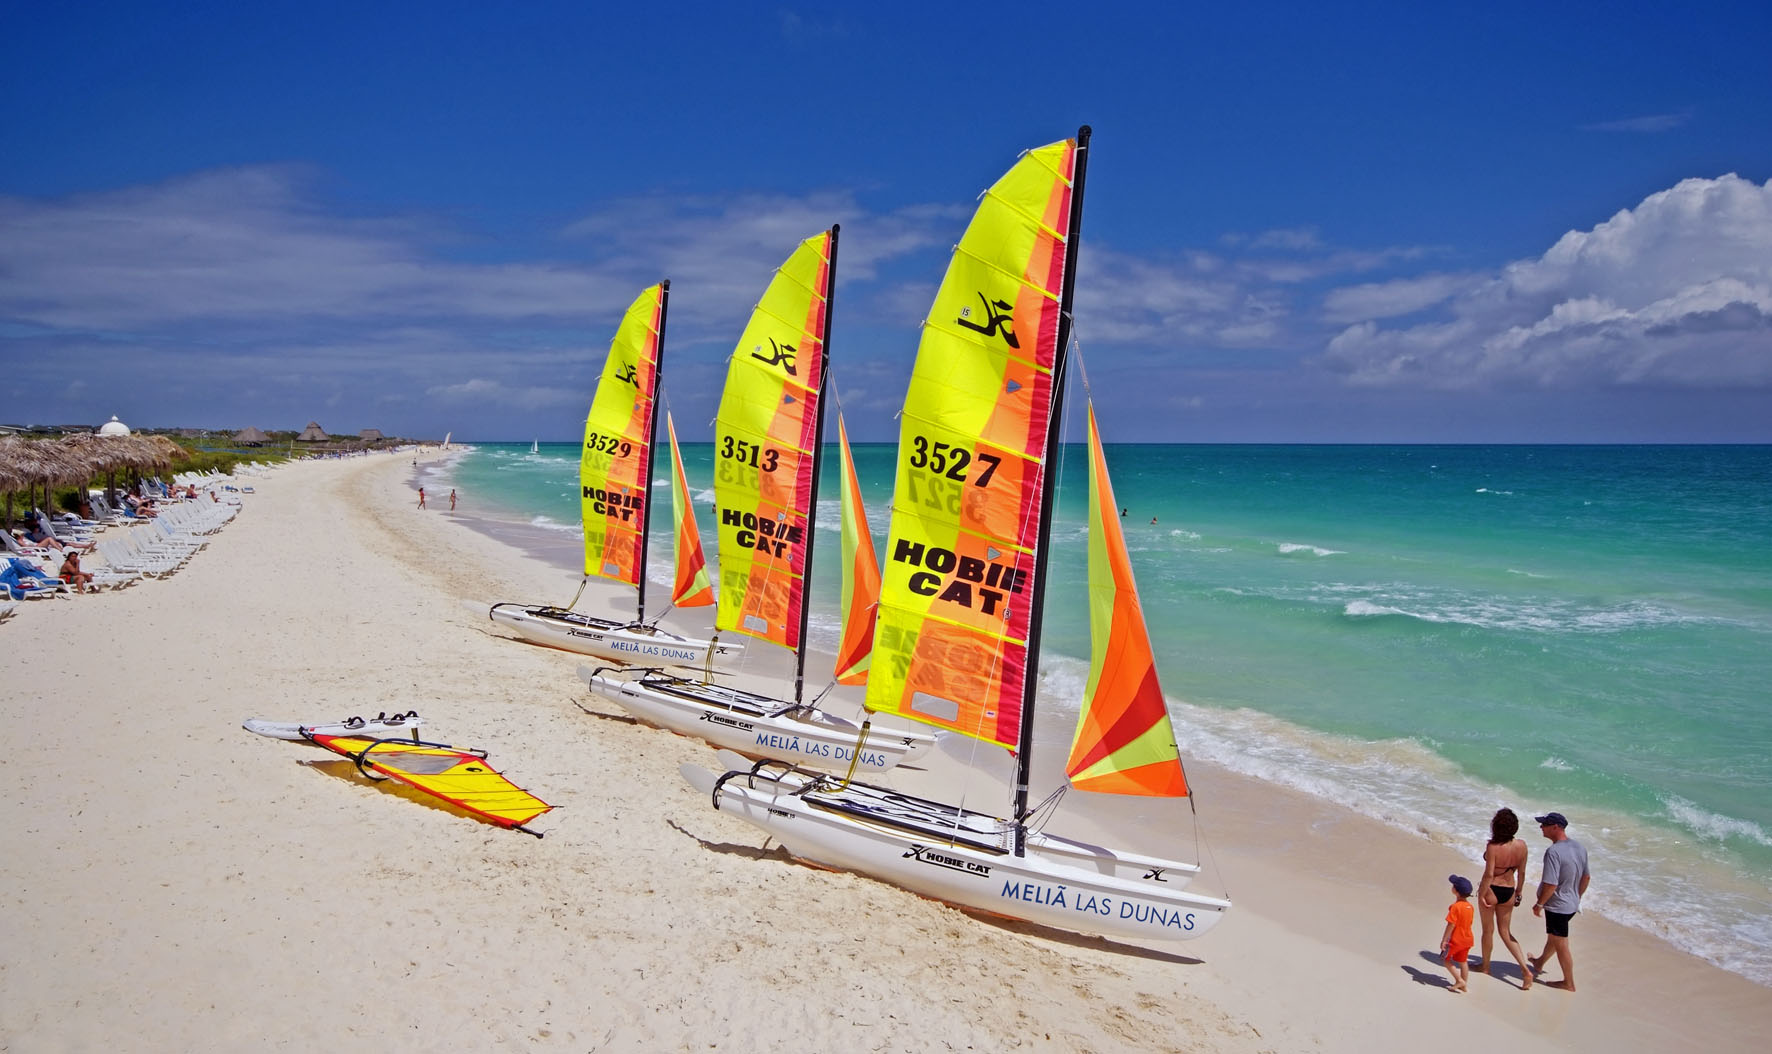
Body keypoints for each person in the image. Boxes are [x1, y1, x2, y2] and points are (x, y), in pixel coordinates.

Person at [1529, 812, 1591, 992]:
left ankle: (1568, 982)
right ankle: (1539, 962)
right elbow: (1586, 877)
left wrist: (1539, 904)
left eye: (1544, 825)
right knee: (1554, 937)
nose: (1541, 827)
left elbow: (1551, 883)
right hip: (1571, 904)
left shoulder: (1553, 852)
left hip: (1557, 906)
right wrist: (1576, 896)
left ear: (1555, 827)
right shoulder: (1579, 847)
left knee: (1561, 943)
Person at [1477, 807, 1534, 988]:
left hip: (1492, 890)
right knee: (1506, 933)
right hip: (1509, 890)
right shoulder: (1522, 846)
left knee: (1488, 931)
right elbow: (1522, 873)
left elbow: (1489, 874)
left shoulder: (1493, 847)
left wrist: (1481, 894)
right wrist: (1519, 892)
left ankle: (1485, 966)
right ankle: (1525, 969)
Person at [1440, 874, 1475, 993]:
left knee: (1445, 959)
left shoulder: (1455, 907)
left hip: (1456, 940)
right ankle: (1464, 985)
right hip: (1468, 939)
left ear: (1455, 891)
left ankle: (1459, 980)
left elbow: (1451, 924)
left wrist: (1444, 940)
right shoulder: (1470, 907)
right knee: (1463, 962)